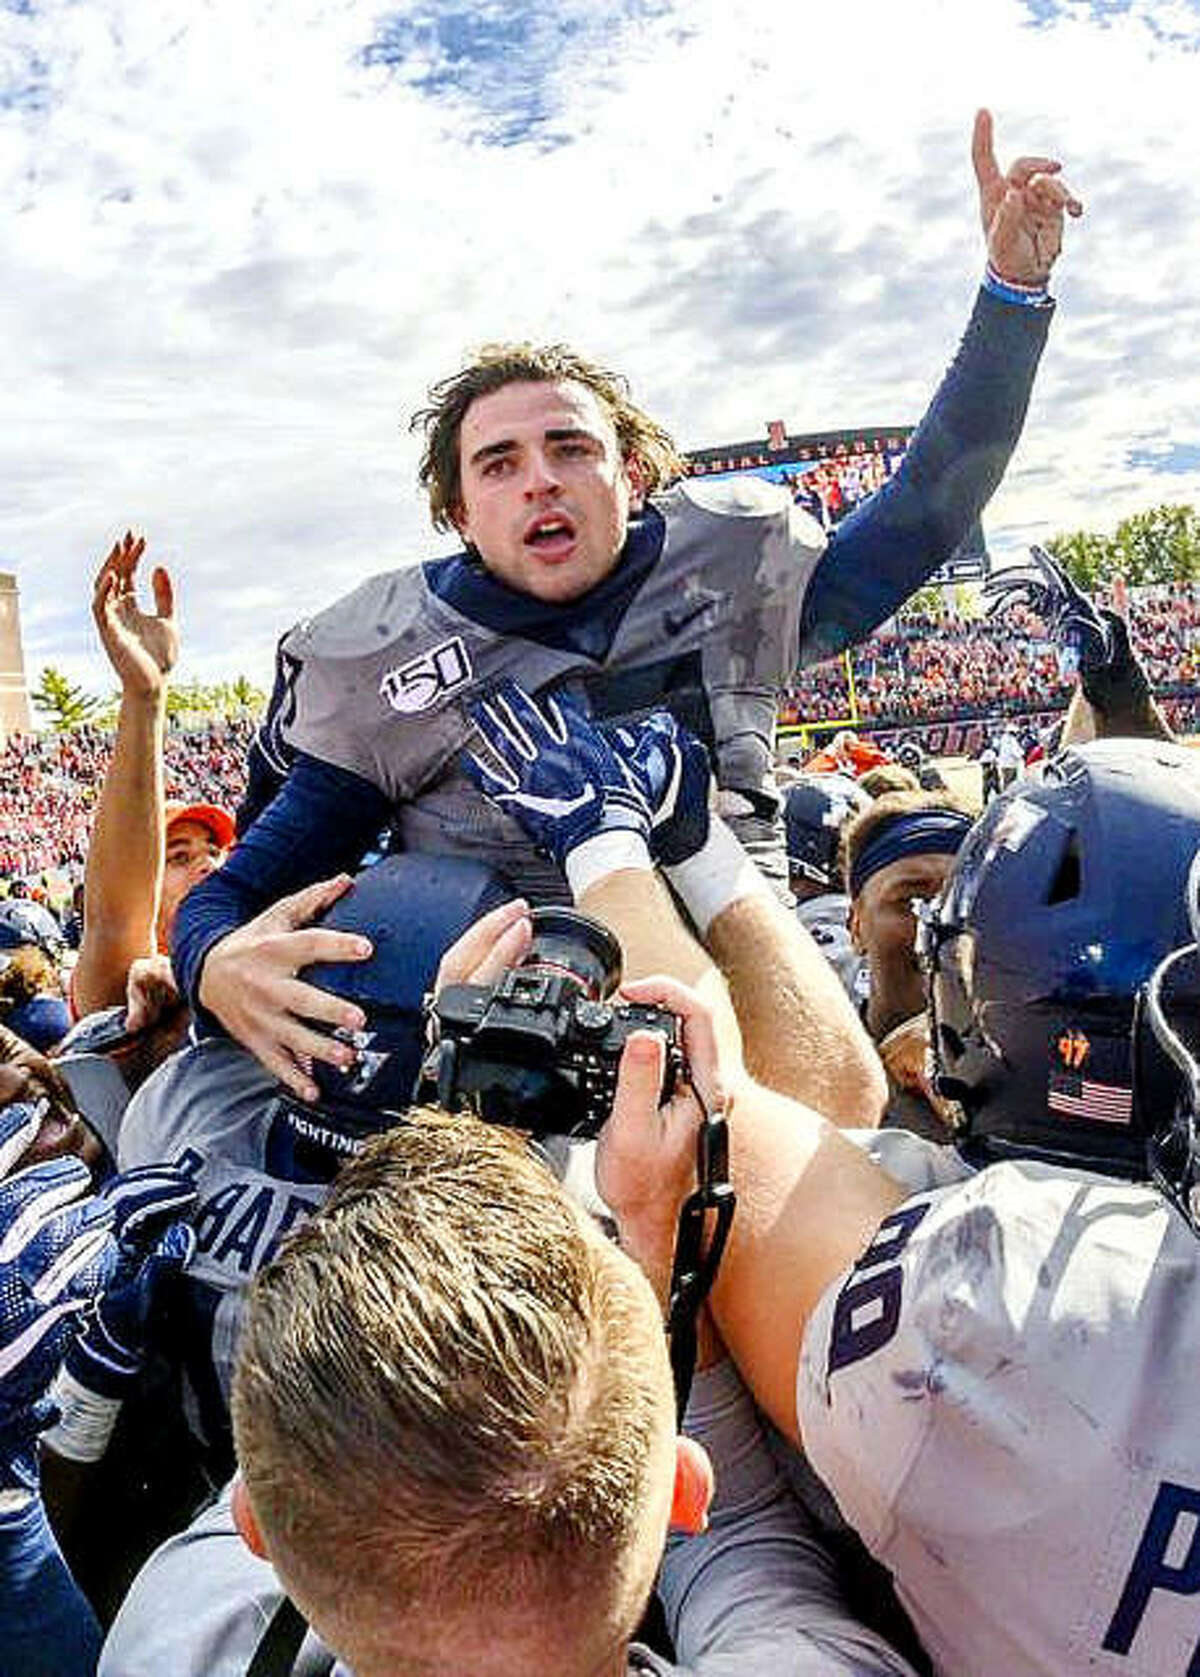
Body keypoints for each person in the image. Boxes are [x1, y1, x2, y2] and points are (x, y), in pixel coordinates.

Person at [172, 110, 1082, 1100]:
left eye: (571, 448)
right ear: (458, 511)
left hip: (759, 1026)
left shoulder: (730, 564)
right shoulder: (393, 657)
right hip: (514, 1071)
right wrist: (211, 966)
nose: (541, 482)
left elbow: (928, 506)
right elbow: (234, 898)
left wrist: (1012, 296)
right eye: (500, 463)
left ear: (633, 473)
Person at [464, 700, 1200, 1676]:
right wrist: (701, 849)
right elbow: (824, 1116)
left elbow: (706, 1087)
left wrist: (604, 843)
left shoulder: (1018, 1315)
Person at [70, 533, 235, 1023]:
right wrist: (146, 696)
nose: (207, 866)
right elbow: (117, 922)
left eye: (213, 852)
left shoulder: (262, 963)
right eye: (179, 857)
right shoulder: (138, 991)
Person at [839, 789, 974, 1138]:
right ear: (856, 926)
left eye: (961, 898)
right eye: (911, 899)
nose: (938, 922)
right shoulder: (820, 1073)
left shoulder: (1033, 1071)